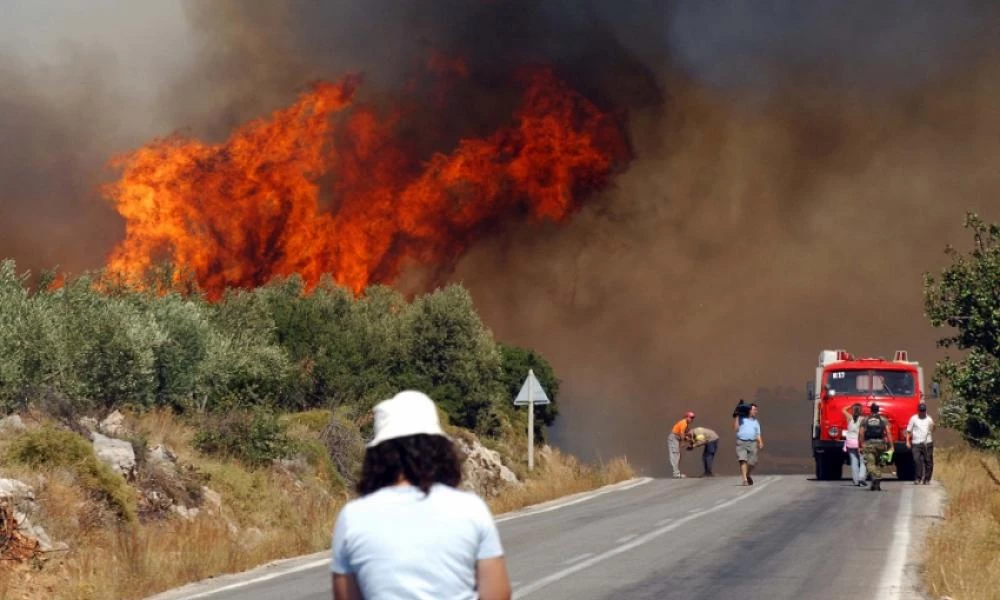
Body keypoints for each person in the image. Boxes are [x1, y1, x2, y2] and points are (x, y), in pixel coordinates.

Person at [330, 390, 512, 600]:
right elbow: (497, 594)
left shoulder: (353, 517)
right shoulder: (470, 509)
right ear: (439, 449)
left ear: (379, 455)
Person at [859, 402, 893, 492]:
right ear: (878, 410)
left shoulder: (865, 419)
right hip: (881, 445)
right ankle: (876, 484)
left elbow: (861, 433)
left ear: (871, 410)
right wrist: (891, 446)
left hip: (869, 444)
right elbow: (888, 433)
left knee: (870, 464)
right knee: (879, 464)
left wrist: (861, 444)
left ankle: (876, 478)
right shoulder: (883, 419)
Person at [906, 402, 935, 485]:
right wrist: (907, 441)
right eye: (921, 411)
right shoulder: (913, 419)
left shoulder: (929, 419)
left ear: (925, 411)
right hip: (916, 443)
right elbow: (908, 431)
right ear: (918, 411)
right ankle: (918, 478)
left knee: (928, 461)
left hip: (927, 443)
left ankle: (927, 479)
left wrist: (933, 426)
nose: (922, 412)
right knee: (916, 460)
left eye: (924, 411)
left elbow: (933, 429)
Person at [734, 403, 763, 486]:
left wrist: (760, 442)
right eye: (754, 409)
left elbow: (758, 433)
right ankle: (745, 480)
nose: (755, 411)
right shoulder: (741, 419)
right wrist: (736, 416)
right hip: (741, 442)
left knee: (753, 462)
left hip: (752, 443)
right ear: (749, 410)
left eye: (756, 410)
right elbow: (735, 429)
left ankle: (747, 474)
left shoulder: (756, 421)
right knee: (742, 460)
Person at [842, 403, 868, 487]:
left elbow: (843, 409)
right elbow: (863, 433)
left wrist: (851, 406)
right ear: (861, 411)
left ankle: (856, 480)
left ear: (853, 411)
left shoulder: (849, 418)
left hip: (849, 442)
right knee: (863, 461)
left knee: (854, 461)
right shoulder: (863, 419)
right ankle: (861, 477)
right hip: (858, 442)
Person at [668, 411, 696, 478]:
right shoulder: (684, 423)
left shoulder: (685, 424)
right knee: (675, 455)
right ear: (686, 417)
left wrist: (690, 440)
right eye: (691, 417)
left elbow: (686, 434)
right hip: (673, 438)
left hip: (676, 439)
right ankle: (676, 474)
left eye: (693, 418)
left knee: (677, 456)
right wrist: (683, 442)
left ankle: (676, 473)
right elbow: (682, 434)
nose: (692, 419)